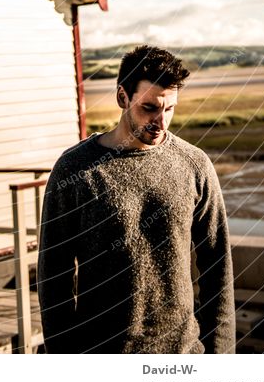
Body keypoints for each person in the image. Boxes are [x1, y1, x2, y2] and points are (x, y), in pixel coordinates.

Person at [37, 44, 235, 354]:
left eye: (169, 108)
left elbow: (217, 267)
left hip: (183, 357)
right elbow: (54, 279)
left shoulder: (195, 165)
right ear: (122, 97)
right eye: (149, 108)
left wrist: (221, 358)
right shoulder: (75, 169)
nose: (161, 120)